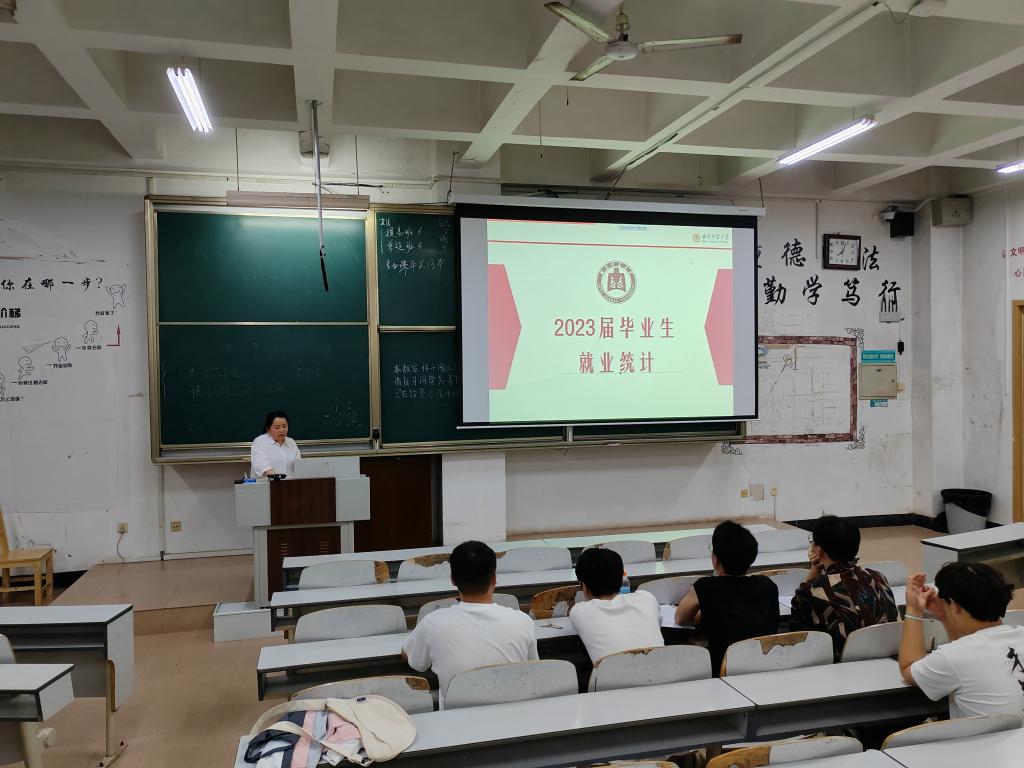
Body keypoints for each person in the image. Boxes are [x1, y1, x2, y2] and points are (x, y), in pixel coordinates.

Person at [402, 541, 537, 707]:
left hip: (456, 719)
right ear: (494, 578)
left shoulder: (432, 623)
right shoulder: (523, 622)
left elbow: (411, 657)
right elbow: (533, 668)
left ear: (452, 580)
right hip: (513, 716)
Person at [900, 562, 1024, 718]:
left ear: (954, 605)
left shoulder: (952, 657)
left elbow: (908, 667)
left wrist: (914, 609)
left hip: (989, 735)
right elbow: (966, 644)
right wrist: (945, 615)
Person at [675, 521, 780, 675]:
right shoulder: (768, 586)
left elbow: (680, 618)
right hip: (766, 669)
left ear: (715, 559)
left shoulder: (706, 587)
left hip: (724, 674)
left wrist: (704, 615)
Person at [790, 515, 898, 657]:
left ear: (819, 551)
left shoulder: (814, 591)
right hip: (888, 655)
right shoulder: (877, 577)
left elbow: (798, 614)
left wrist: (814, 569)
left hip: (843, 663)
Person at [569, 546, 664, 663]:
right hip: (663, 670)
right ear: (621, 579)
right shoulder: (646, 598)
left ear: (584, 586)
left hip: (614, 674)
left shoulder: (579, 611)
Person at [250, 410, 300, 478]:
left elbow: (299, 466)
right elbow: (262, 466)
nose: (281, 430)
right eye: (277, 427)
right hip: (267, 483)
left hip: (289, 483)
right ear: (268, 429)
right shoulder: (260, 442)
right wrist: (278, 478)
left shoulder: (291, 442)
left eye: (284, 426)